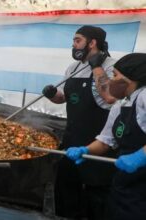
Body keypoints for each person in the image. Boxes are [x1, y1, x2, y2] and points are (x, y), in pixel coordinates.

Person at [42, 25, 117, 219]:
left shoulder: (111, 66)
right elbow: (64, 98)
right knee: (66, 186)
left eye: (77, 40)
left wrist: (96, 66)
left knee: (95, 193)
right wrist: (52, 95)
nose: (73, 45)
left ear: (92, 43)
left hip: (99, 142)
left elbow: (109, 96)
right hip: (72, 137)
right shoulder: (73, 68)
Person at [66, 53, 146, 219]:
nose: (111, 81)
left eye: (115, 75)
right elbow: (105, 141)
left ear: (131, 79)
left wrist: (140, 156)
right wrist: (85, 150)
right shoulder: (121, 105)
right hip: (125, 184)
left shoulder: (144, 96)